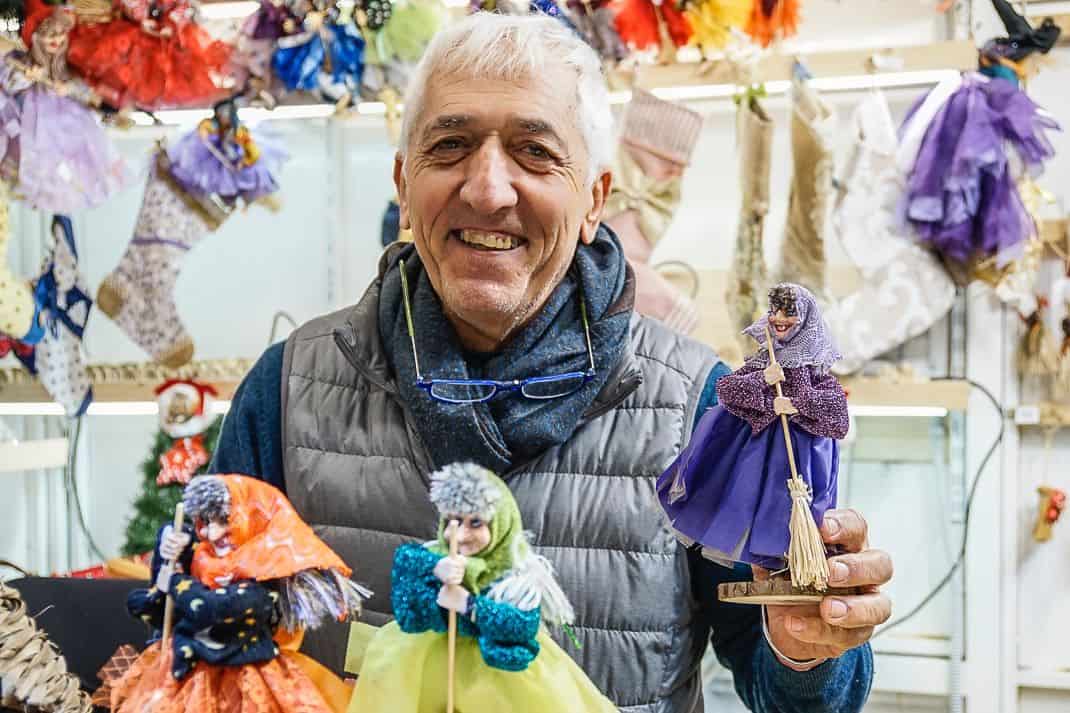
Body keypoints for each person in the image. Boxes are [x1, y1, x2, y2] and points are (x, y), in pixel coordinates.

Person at [211, 12, 893, 712]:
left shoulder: (699, 405)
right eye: (450, 145)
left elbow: (796, 691)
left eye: (534, 152)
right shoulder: (287, 391)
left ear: (595, 198)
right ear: (403, 183)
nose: (488, 189)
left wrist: (807, 649)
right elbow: (210, 650)